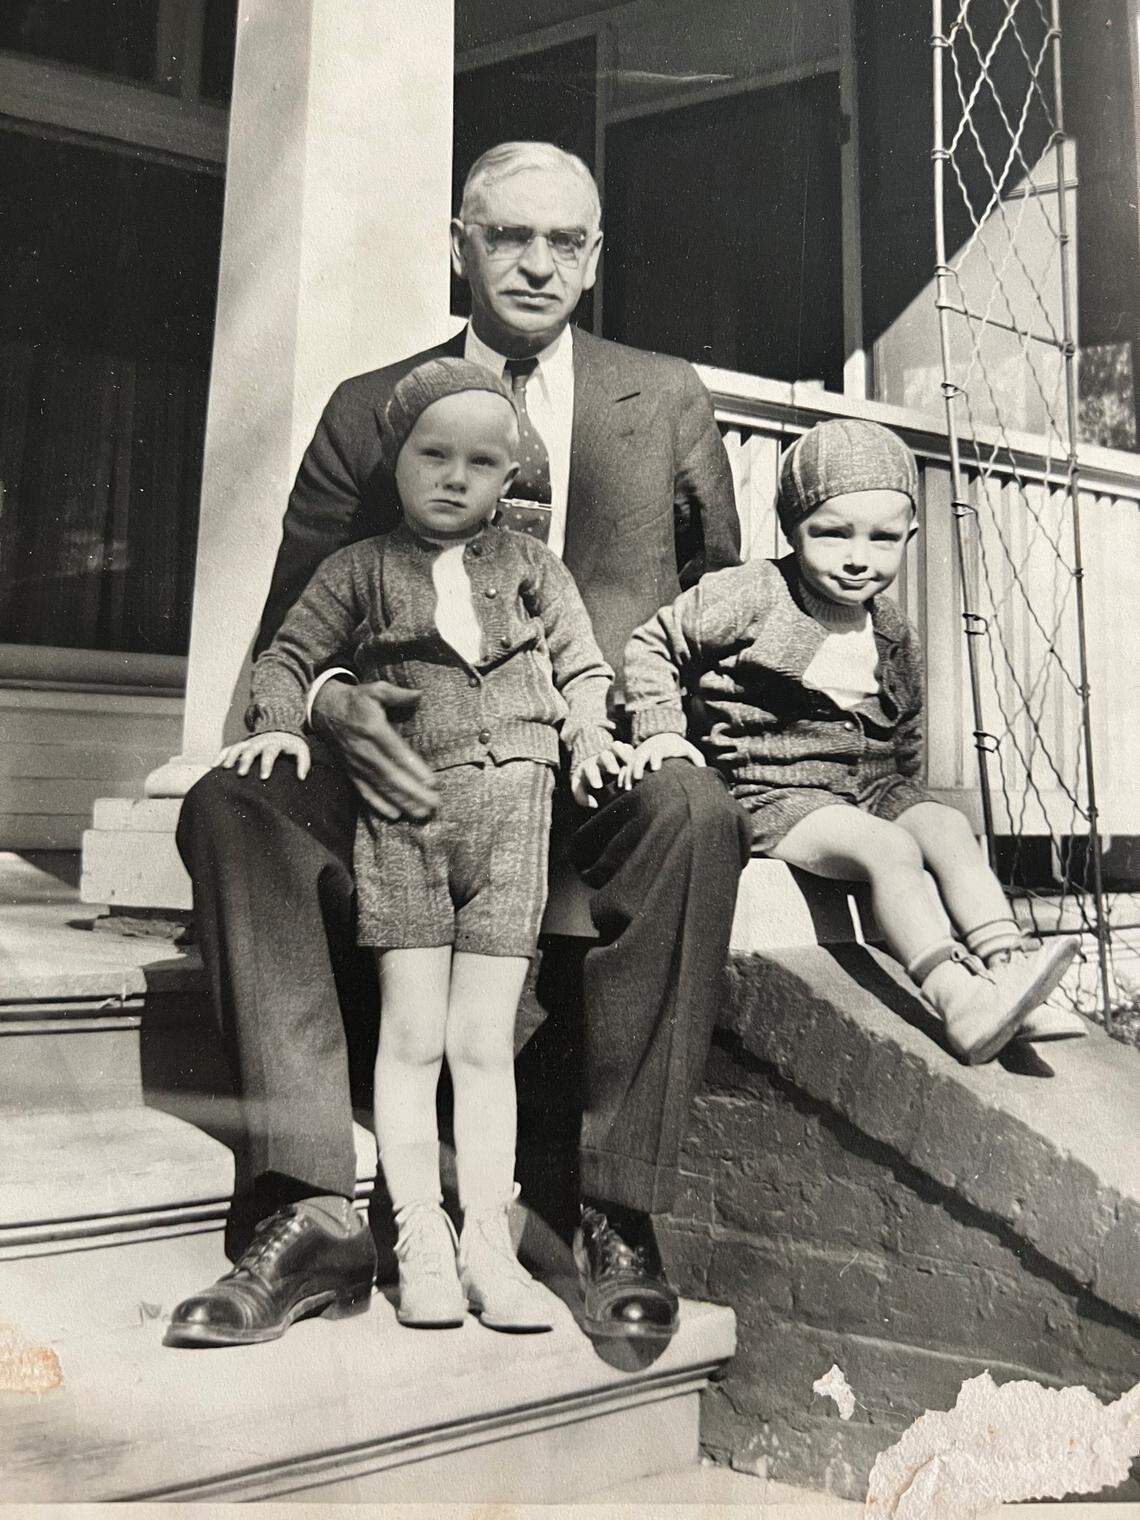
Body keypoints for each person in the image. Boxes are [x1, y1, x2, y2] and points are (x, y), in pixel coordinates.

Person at [167, 141, 749, 1349]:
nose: (537, 262)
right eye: (508, 236)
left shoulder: (664, 398)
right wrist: (332, 702)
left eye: (565, 240)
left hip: (583, 757)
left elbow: (715, 608)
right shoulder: (369, 406)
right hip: (407, 768)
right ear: (459, 245)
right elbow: (293, 629)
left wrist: (649, 730)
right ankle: (313, 1204)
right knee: (233, 804)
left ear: (596, 258)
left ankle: (612, 1208)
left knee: (696, 813)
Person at [199, 359, 618, 1339]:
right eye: (434, 454)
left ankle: (487, 1242)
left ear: (509, 475)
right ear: (395, 458)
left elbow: (583, 663)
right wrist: (281, 721)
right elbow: (288, 655)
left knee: (483, 1044)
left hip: (514, 825)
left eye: (482, 462)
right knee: (413, 1038)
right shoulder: (361, 569)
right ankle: (420, 1233)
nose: (455, 477)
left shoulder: (533, 568)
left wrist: (592, 726)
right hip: (406, 826)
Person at [621, 417, 1081, 1066]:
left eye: (883, 538)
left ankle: (1008, 969)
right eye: (832, 533)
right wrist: (662, 729)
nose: (858, 556)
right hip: (777, 790)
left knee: (947, 828)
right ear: (792, 528)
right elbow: (655, 643)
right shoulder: (753, 593)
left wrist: (914, 803)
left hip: (874, 782)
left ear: (909, 537)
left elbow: (906, 734)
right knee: (891, 849)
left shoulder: (892, 628)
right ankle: (957, 997)